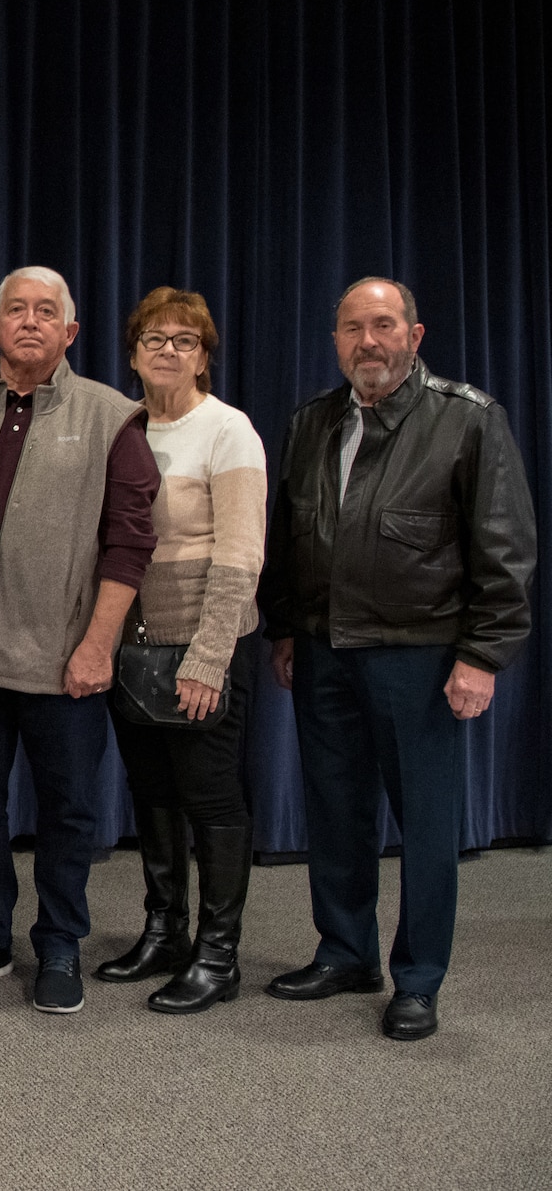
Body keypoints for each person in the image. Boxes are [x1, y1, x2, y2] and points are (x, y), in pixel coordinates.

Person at [262, 276, 535, 1042]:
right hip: (324, 651)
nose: (368, 342)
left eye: (384, 325)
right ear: (337, 340)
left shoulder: (468, 419)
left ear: (415, 336)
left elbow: (505, 551)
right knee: (337, 813)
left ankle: (418, 977)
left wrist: (482, 654)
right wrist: (285, 630)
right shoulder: (313, 421)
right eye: (352, 328)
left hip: (420, 658)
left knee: (426, 824)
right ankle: (346, 951)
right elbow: (289, 538)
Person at [0, 266, 160, 1014]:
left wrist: (98, 644)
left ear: (69, 332)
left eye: (47, 312)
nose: (29, 321)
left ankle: (61, 938)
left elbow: (130, 543)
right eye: (15, 310)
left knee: (67, 808)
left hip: (66, 656)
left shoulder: (111, 415)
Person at [94, 287, 265, 1014]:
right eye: (154, 338)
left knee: (211, 800)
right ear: (132, 353)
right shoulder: (121, 426)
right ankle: (165, 931)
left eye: (184, 340)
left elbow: (241, 552)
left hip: (199, 649)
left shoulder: (228, 430)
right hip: (129, 652)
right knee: (154, 797)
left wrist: (207, 656)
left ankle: (218, 955)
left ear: (204, 356)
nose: (168, 350)